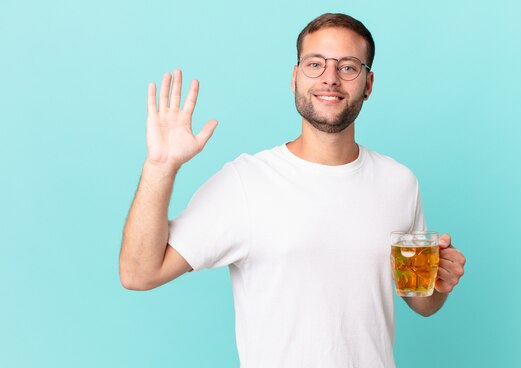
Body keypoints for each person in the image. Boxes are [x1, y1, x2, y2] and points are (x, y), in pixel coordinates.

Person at [120, 13, 466, 368]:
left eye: (348, 67)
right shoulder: (246, 183)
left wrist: (439, 285)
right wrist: (160, 167)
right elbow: (138, 274)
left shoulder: (399, 182)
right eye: (315, 64)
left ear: (368, 83)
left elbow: (421, 302)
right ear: (295, 77)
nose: (330, 78)